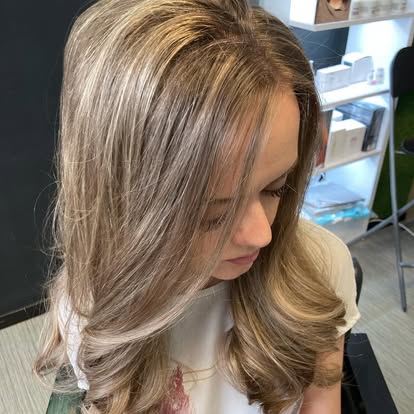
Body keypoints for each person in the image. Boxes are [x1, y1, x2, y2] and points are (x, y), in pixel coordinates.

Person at [33, 1, 361, 413]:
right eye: (213, 215)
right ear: (127, 204)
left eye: (275, 189)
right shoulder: (93, 305)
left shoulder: (321, 267)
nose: (262, 235)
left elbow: (322, 400)